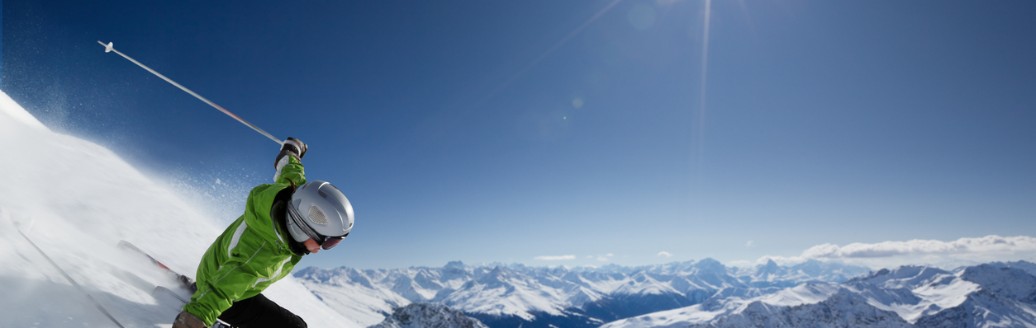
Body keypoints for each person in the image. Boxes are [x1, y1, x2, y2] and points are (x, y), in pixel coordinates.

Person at [173, 137, 355, 328]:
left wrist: (292, 151)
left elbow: (291, 170)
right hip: (225, 290)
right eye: (327, 243)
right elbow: (224, 288)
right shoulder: (262, 251)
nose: (324, 249)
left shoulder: (290, 194)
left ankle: (201, 290)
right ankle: (204, 296)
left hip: (220, 273)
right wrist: (194, 319)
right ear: (301, 229)